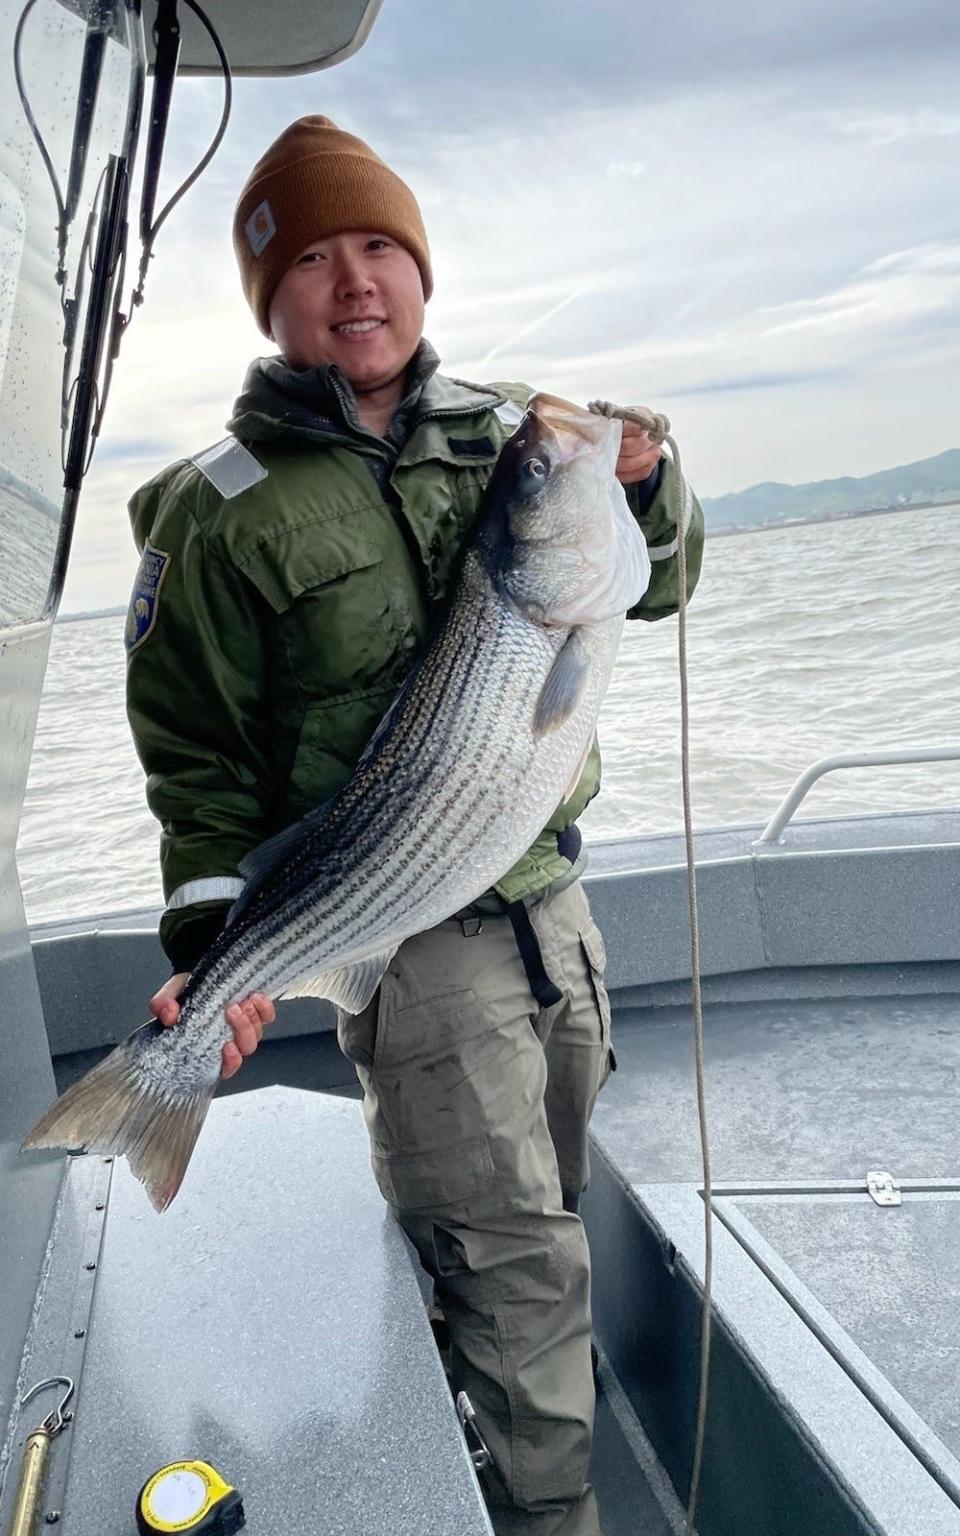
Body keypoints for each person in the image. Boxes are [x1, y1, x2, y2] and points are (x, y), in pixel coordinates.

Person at [126, 115, 704, 1536]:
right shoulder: (215, 513)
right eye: (312, 258)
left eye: (381, 244)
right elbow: (194, 757)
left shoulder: (518, 435)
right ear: (272, 302)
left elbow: (657, 579)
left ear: (422, 273)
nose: (356, 278)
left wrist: (646, 482)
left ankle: (467, 1424)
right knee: (514, 1268)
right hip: (403, 935)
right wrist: (217, 951)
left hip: (550, 915)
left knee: (540, 1213)